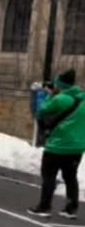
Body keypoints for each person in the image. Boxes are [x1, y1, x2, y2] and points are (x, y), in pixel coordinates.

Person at [28, 69, 85, 219]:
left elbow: (42, 110)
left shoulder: (60, 99)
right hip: (77, 147)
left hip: (57, 146)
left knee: (49, 176)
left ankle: (45, 206)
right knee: (70, 177)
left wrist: (50, 94)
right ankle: (71, 209)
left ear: (61, 84)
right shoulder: (83, 99)